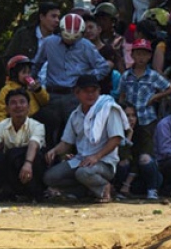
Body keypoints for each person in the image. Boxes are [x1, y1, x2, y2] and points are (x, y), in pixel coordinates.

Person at [43, 75, 128, 203]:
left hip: (104, 162)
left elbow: (116, 139)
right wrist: (54, 151)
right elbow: (66, 142)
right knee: (50, 177)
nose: (90, 94)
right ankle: (87, 191)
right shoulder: (75, 115)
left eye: (93, 91)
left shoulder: (108, 109)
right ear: (77, 93)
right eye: (86, 91)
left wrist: (96, 157)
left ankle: (104, 187)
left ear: (99, 92)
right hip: (81, 160)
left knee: (83, 173)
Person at [32, 13, 111, 146]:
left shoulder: (86, 46)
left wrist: (86, 80)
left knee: (76, 131)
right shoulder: (49, 43)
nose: (70, 41)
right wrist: (32, 81)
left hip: (75, 95)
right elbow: (37, 64)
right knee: (50, 131)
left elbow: (103, 67)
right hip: (52, 95)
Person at [0, 88, 47, 201]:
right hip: (10, 169)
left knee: (36, 156)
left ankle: (34, 192)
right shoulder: (0, 126)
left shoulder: (37, 126)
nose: (18, 106)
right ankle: (5, 190)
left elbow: (34, 144)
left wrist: (28, 163)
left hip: (30, 168)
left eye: (22, 102)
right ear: (7, 109)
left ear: (29, 107)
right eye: (13, 103)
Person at [117, 39, 171, 157]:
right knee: (129, 150)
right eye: (138, 54)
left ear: (149, 56)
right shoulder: (126, 75)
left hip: (147, 118)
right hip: (130, 120)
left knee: (146, 151)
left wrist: (156, 96)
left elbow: (170, 88)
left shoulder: (152, 75)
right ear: (132, 55)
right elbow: (121, 95)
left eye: (144, 54)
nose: (141, 57)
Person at [114, 103, 163, 200]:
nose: (131, 119)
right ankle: (120, 191)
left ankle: (152, 190)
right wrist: (128, 136)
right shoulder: (115, 134)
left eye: (133, 115)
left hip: (142, 176)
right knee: (123, 162)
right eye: (127, 116)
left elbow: (142, 156)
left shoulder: (143, 133)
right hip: (125, 177)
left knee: (145, 159)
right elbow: (123, 156)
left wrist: (127, 183)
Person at [0, 55, 49, 123]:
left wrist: (38, 90)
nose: (27, 75)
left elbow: (45, 101)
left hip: (35, 121)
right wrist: (2, 128)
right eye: (24, 72)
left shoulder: (31, 87)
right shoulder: (6, 90)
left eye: (29, 72)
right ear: (14, 74)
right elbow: (1, 113)